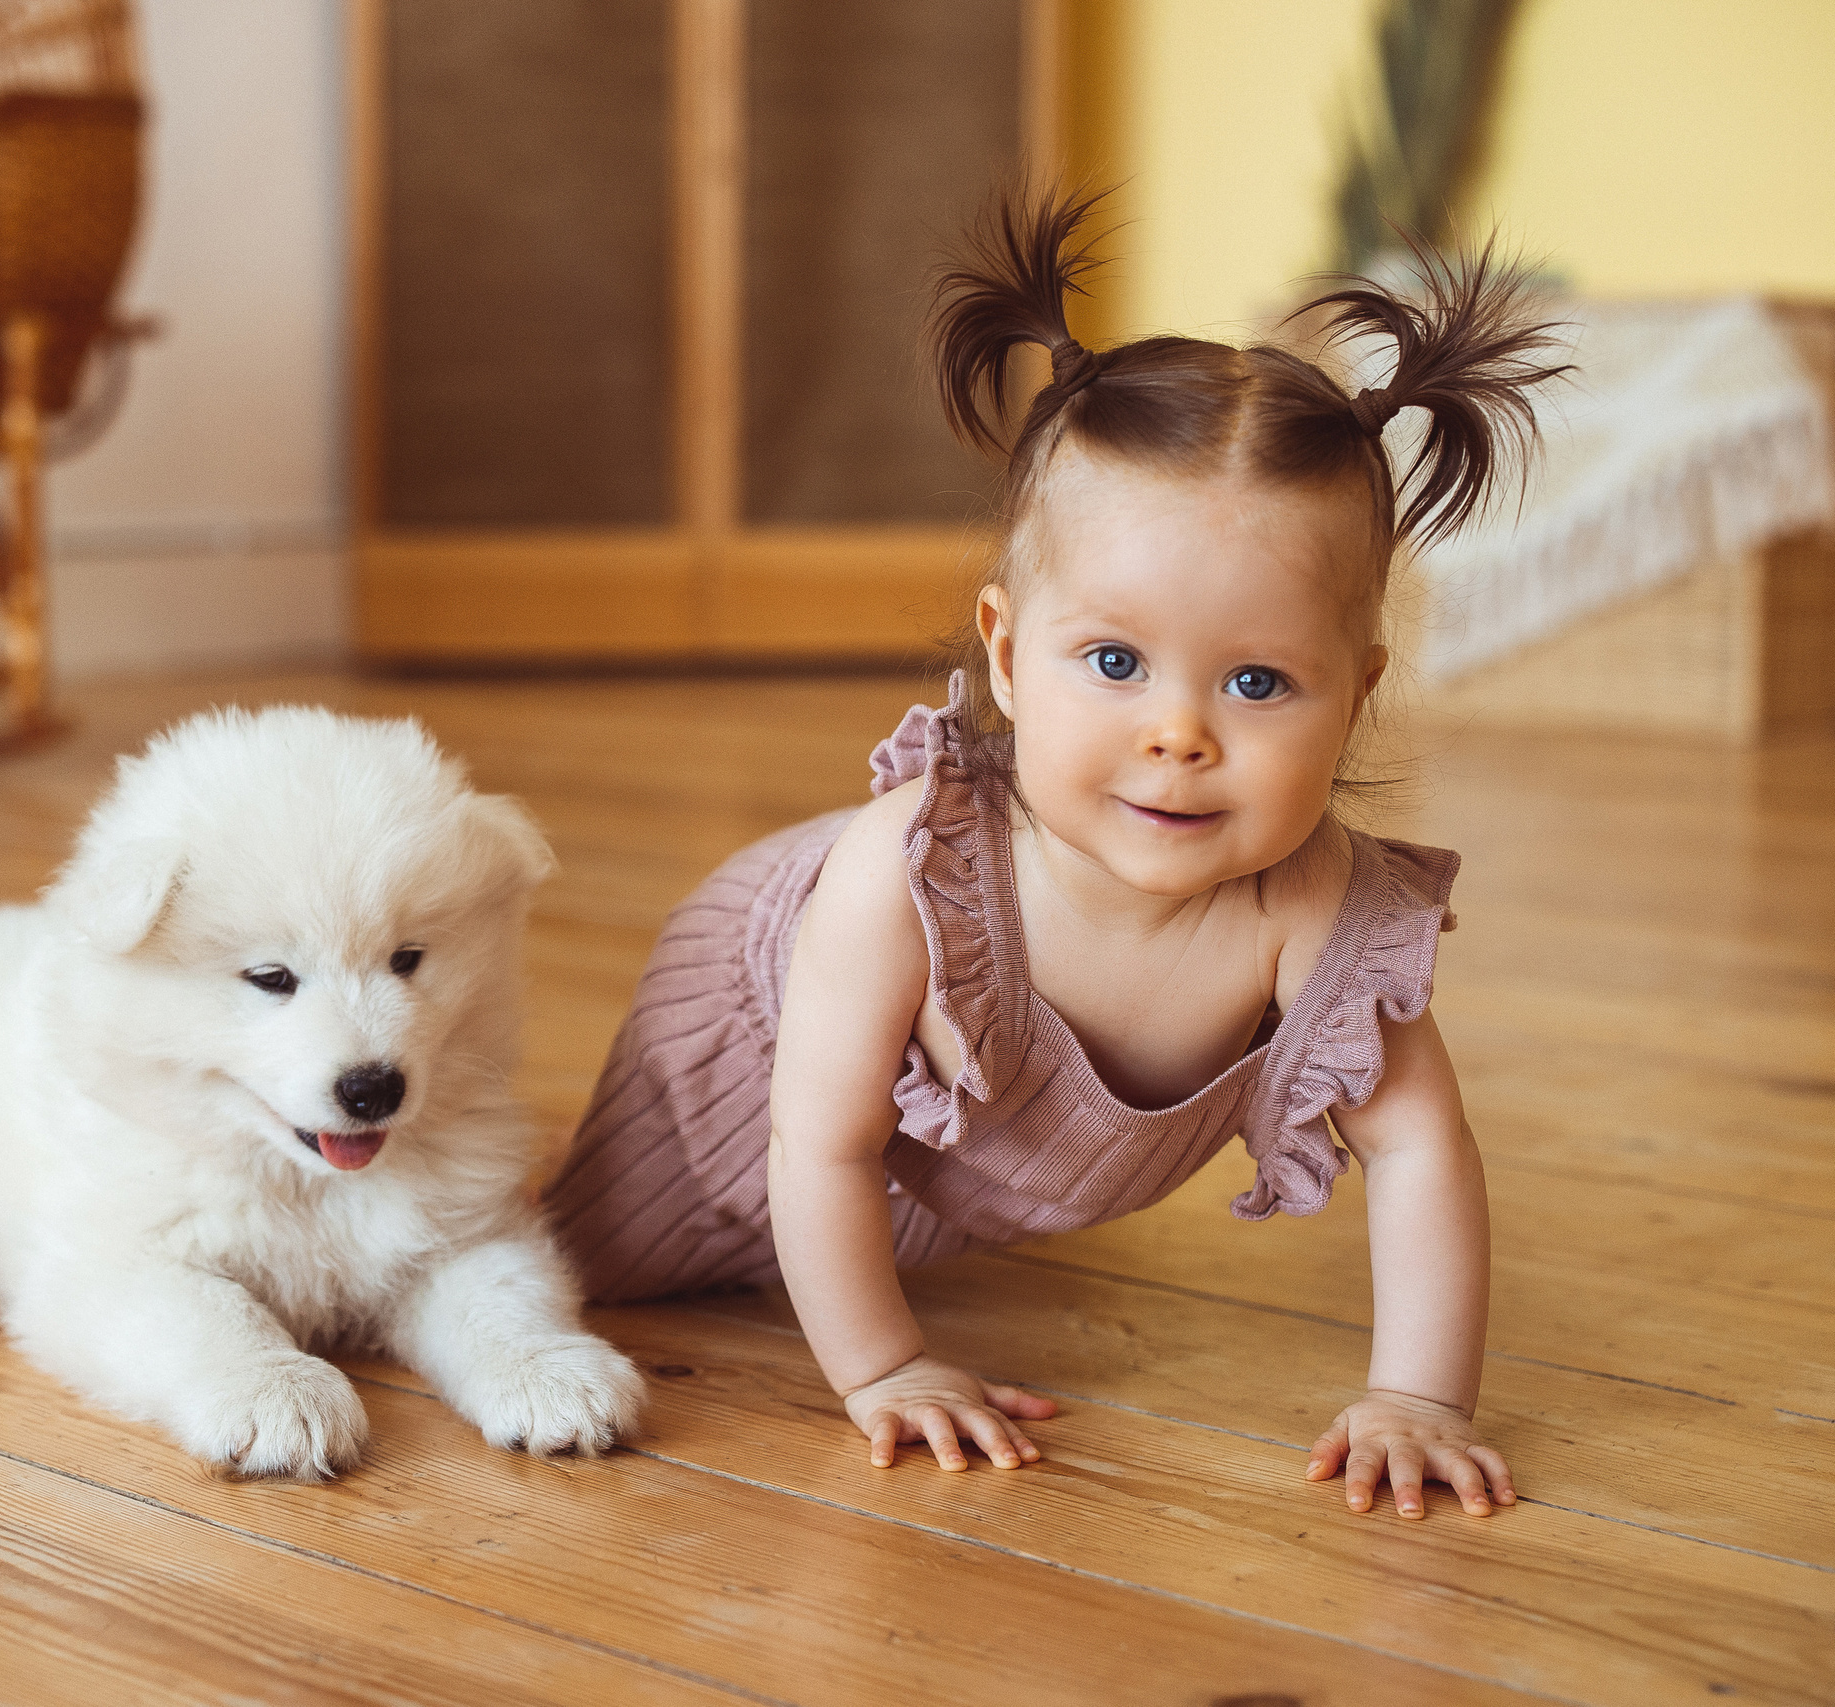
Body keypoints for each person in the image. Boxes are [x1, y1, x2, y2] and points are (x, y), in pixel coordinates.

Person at [544, 187, 1570, 1521]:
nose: (1179, 735)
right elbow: (824, 1149)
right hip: (752, 1059)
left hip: (960, 1174)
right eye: (1115, 661)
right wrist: (887, 1367)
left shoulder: (1320, 905)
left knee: (887, 1234)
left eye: (1259, 683)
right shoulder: (901, 866)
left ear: (1358, 693)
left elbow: (1424, 1150)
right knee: (575, 1265)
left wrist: (1419, 1398)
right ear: (1010, 655)